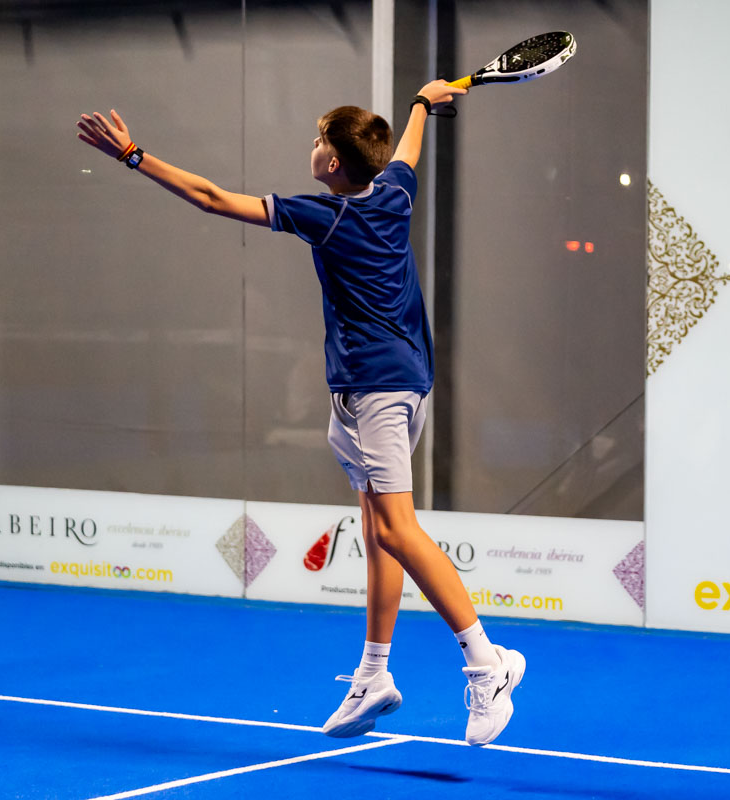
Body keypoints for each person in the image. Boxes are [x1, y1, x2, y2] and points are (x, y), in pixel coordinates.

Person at [76, 79, 525, 747]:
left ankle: (488, 664)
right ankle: (374, 675)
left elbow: (211, 198)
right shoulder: (395, 193)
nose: (310, 146)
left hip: (376, 389)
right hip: (395, 385)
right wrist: (421, 105)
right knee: (379, 532)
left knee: (398, 530)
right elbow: (407, 152)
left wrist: (133, 155)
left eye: (318, 140)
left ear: (334, 163)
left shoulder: (327, 216)